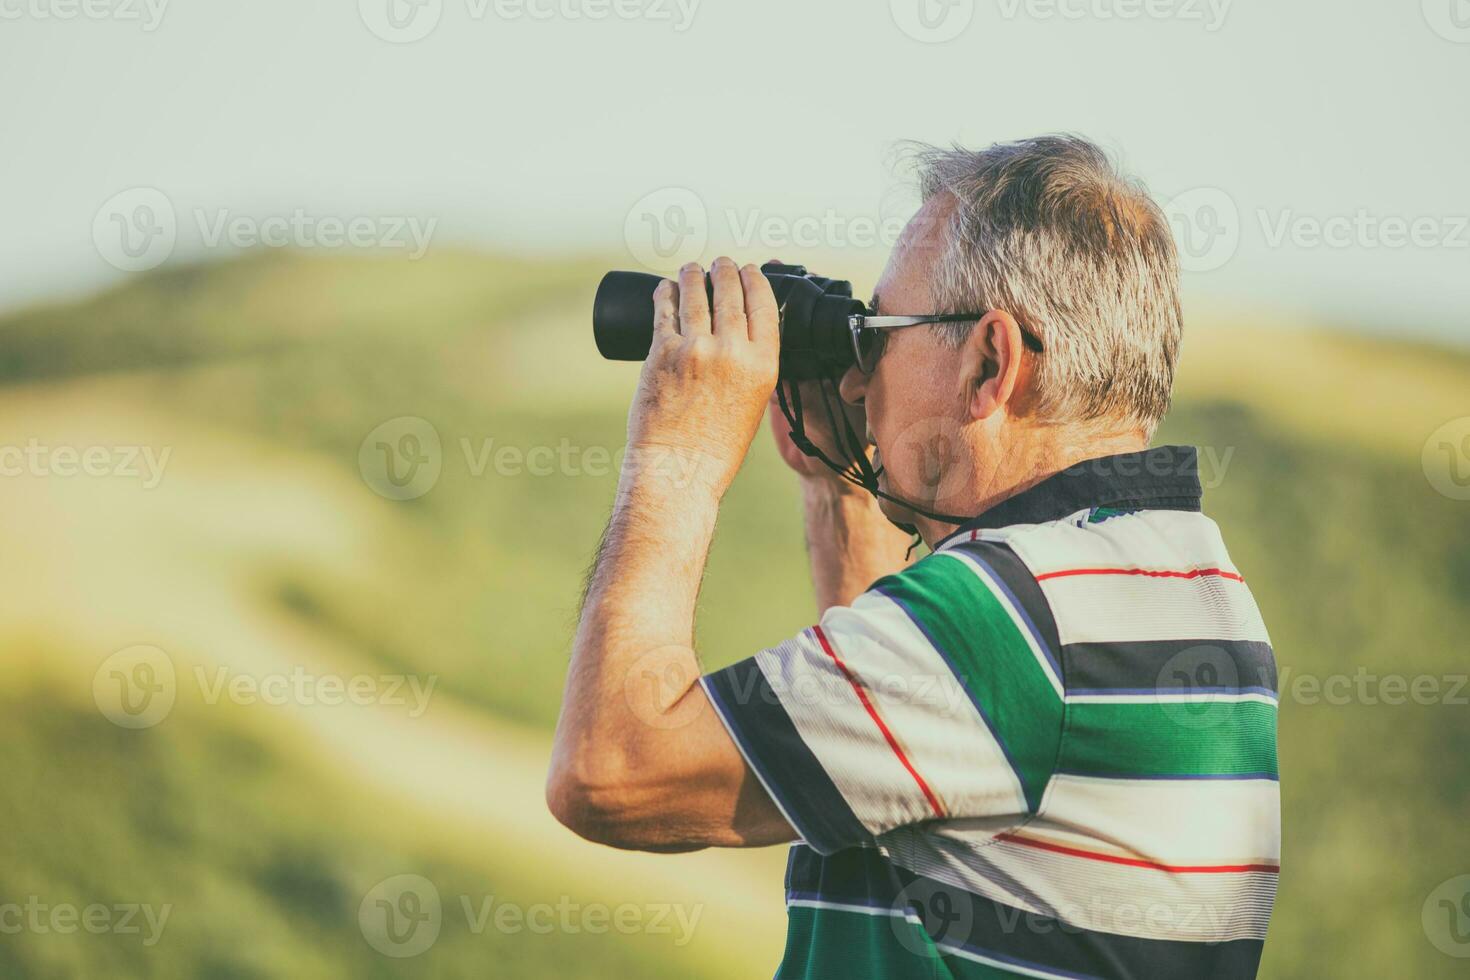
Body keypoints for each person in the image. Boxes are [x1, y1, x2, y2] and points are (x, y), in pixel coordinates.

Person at [547, 135, 1279, 979]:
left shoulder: (1010, 618)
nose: (859, 381)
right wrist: (839, 484)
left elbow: (608, 772)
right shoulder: (1170, 583)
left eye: (884, 334)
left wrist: (678, 449)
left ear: (989, 362)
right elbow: (908, 770)